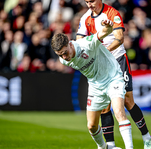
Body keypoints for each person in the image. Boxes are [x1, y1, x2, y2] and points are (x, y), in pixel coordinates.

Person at [76, 0, 151, 149]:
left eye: (91, 1)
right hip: (101, 65)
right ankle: (111, 146)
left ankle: (147, 137)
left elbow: (119, 38)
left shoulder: (112, 13)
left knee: (127, 100)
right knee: (105, 107)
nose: (89, 4)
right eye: (86, 2)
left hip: (118, 59)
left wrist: (102, 53)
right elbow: (80, 41)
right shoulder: (85, 18)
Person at [51, 19, 133, 149]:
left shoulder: (86, 44)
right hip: (95, 85)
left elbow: (103, 33)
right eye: (60, 55)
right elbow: (64, 58)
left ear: (70, 44)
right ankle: (103, 147)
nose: (64, 57)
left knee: (119, 112)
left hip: (113, 77)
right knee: (91, 126)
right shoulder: (63, 60)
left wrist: (108, 27)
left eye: (65, 53)